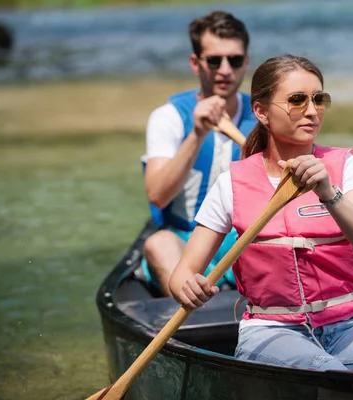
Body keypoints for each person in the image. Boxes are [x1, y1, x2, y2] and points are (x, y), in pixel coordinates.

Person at [169, 55, 353, 371]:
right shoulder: (231, 182)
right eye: (297, 100)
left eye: (318, 99)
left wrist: (328, 192)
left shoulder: (346, 166)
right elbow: (182, 276)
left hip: (350, 326)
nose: (312, 111)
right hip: (271, 331)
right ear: (261, 111)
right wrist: (188, 288)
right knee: (326, 372)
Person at [141, 11, 257, 296]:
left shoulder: (263, 116)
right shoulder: (168, 117)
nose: (225, 70)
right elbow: (158, 194)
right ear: (196, 64)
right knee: (157, 244)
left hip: (245, 243)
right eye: (215, 60)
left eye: (235, 60)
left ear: (247, 63)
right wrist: (197, 134)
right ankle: (191, 322)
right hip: (185, 241)